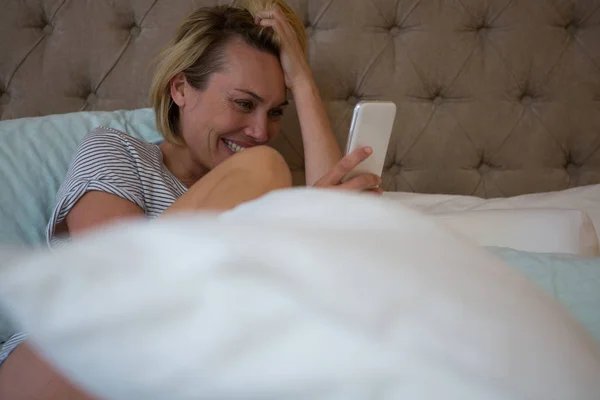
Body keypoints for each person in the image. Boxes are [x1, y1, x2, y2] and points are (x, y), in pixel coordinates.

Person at [0, 0, 381, 398]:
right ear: (180, 88)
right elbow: (114, 292)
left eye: (276, 111)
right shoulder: (117, 150)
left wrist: (302, 81)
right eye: (244, 103)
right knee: (268, 169)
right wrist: (297, 224)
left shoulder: (269, 197)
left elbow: (335, 235)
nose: (260, 130)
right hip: (63, 363)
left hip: (180, 375)